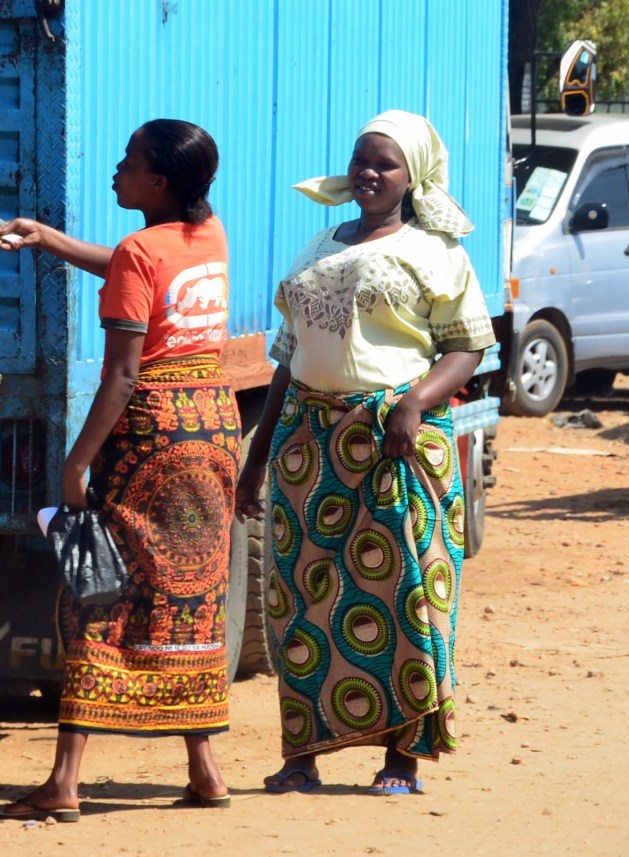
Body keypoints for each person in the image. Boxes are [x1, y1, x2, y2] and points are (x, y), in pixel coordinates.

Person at [0, 118, 240, 821]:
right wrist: (48, 239)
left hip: (150, 434)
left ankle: (64, 783)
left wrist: (76, 462)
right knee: (188, 594)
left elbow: (122, 375)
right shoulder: (208, 233)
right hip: (212, 428)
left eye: (129, 162)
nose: (116, 170)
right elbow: (134, 267)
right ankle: (206, 770)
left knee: (96, 592)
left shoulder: (139, 251)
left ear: (159, 182)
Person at [234, 110, 497, 796]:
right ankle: (302, 754)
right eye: (361, 159)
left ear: (414, 176)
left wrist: (414, 402)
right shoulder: (319, 243)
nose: (368, 173)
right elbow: (288, 357)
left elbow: (468, 345)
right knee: (300, 600)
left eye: (385, 163)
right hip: (309, 449)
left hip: (396, 445)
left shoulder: (436, 250)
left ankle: (401, 758)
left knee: (404, 595)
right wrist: (257, 458)